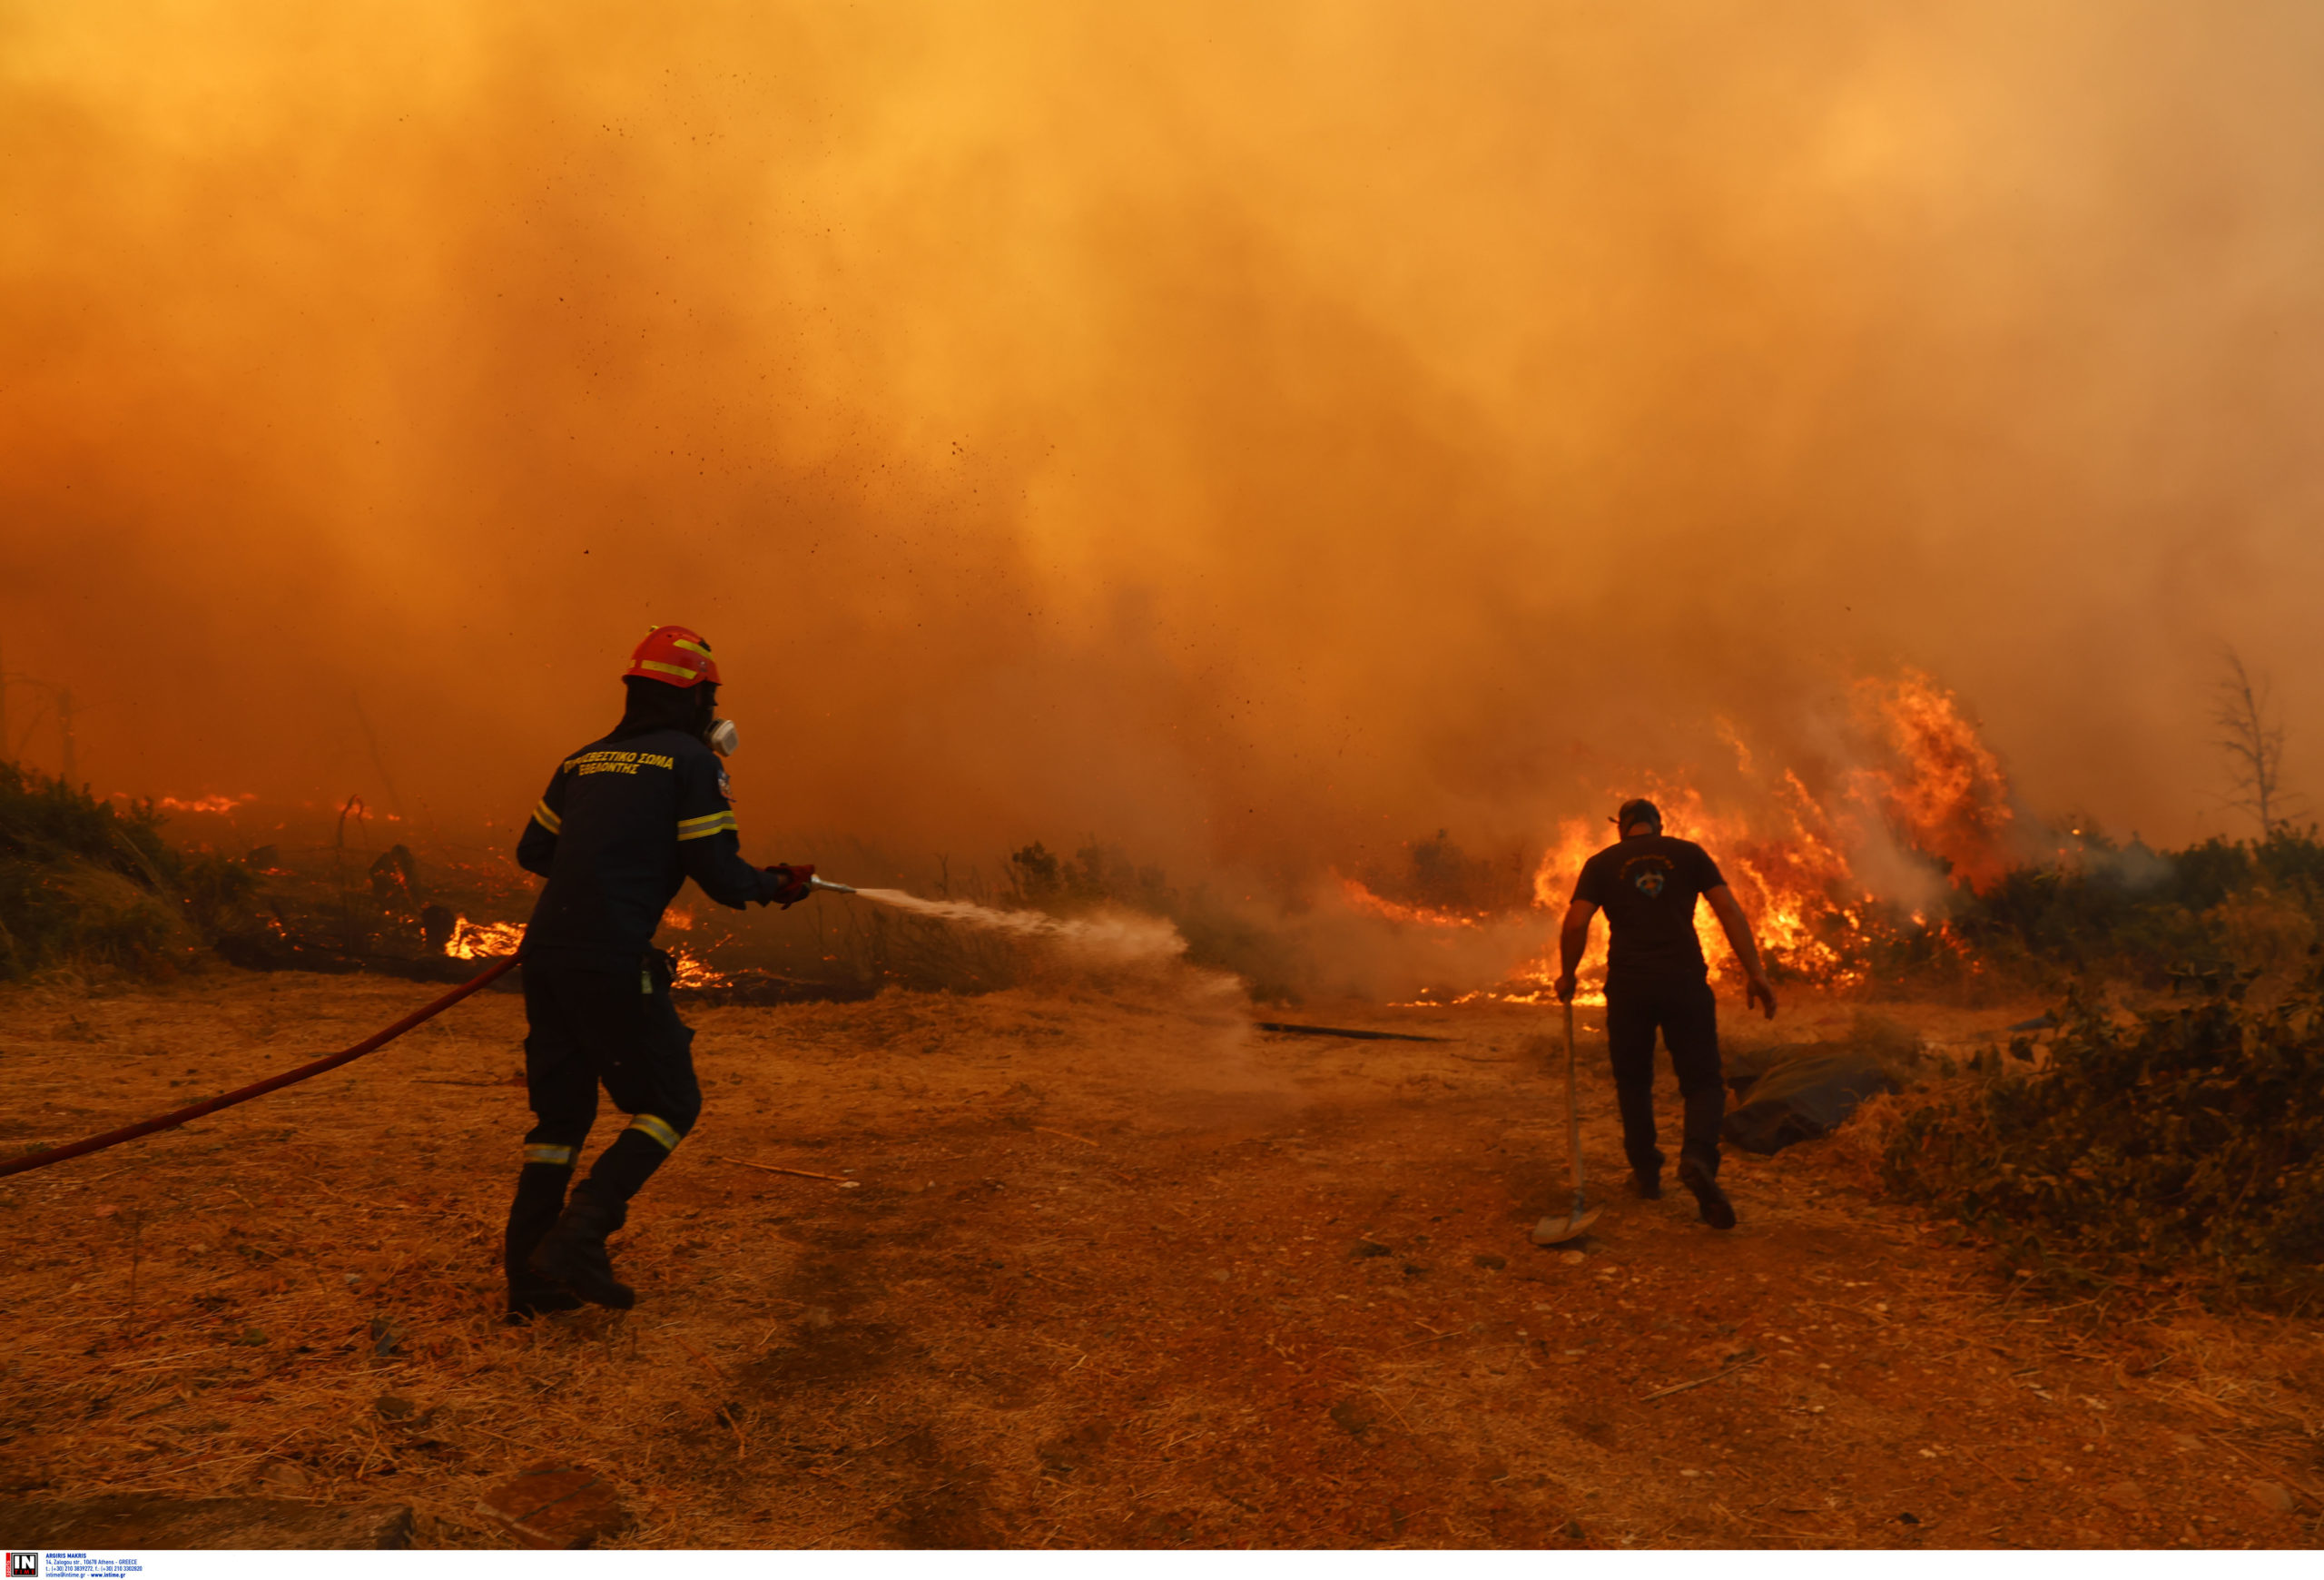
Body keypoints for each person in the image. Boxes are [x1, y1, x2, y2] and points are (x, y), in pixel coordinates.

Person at [502, 625, 820, 1318]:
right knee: (673, 1104)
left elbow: (534, 848)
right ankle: (582, 1234)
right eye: (710, 694)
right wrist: (776, 884)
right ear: (696, 695)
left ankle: (528, 1282)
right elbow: (721, 876)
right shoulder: (691, 763)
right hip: (612, 959)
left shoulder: (583, 761)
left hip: (548, 957)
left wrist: (601, 867)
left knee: (560, 1119)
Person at [1553, 798, 1776, 1229]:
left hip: (1629, 986)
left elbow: (1577, 922)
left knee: (1633, 1081)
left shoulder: (1601, 863)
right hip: (1684, 982)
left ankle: (1646, 1173)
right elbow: (1727, 909)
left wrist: (1567, 974)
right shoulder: (1689, 854)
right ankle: (1697, 1157)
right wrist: (1756, 972)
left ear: (1623, 828)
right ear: (1658, 825)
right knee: (1703, 1081)